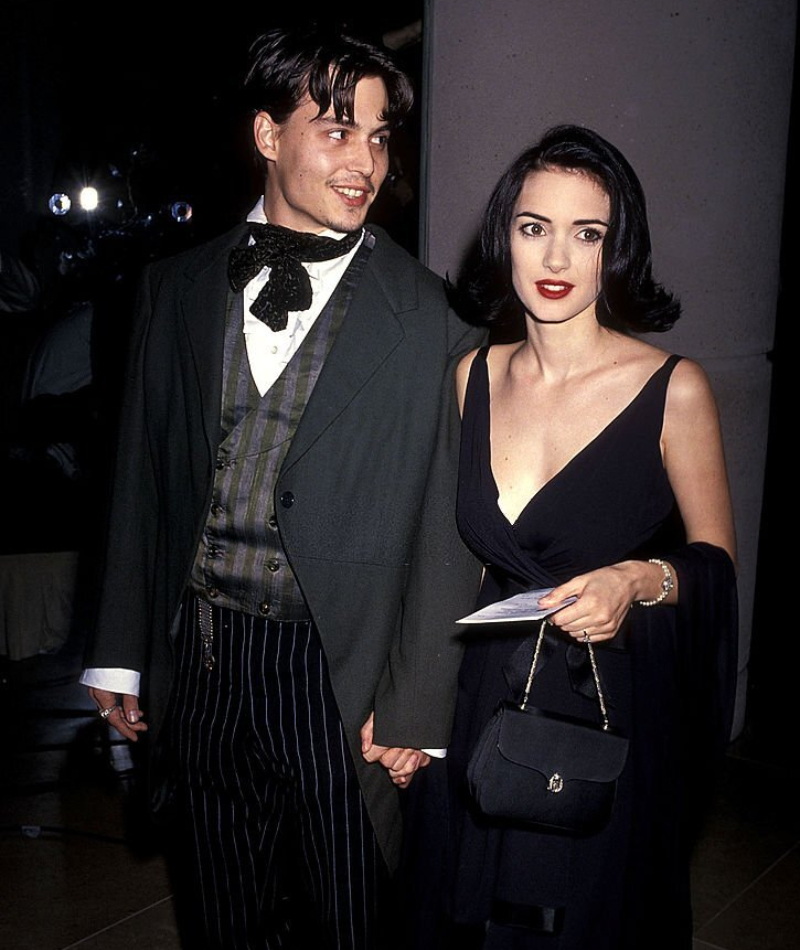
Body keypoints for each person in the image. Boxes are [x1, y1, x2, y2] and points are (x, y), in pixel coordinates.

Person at [80, 25, 480, 949]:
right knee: (223, 913)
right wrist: (118, 651)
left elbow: (443, 529)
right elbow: (139, 477)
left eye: (379, 136)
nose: (366, 161)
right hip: (204, 656)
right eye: (338, 130)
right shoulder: (172, 288)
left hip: (337, 676)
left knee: (350, 915)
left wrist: (418, 701)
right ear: (267, 136)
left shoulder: (432, 319)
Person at [431, 125, 738, 948]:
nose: (556, 257)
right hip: (481, 699)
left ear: (618, 248)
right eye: (535, 227)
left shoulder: (672, 388)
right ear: (505, 238)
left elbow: (713, 565)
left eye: (586, 232)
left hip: (597, 708)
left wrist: (636, 580)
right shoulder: (472, 377)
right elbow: (443, 567)